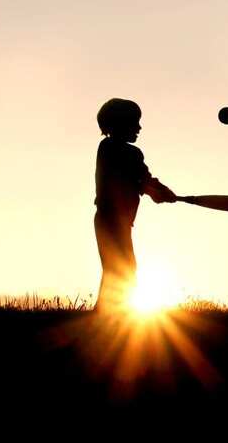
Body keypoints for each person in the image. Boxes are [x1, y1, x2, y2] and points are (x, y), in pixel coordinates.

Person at [93, 98, 177, 312]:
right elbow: (138, 178)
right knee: (121, 268)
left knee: (121, 268)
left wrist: (157, 191)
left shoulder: (129, 153)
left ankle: (106, 314)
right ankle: (108, 314)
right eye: (134, 122)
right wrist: (154, 191)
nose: (139, 127)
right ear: (118, 124)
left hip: (120, 221)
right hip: (110, 218)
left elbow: (142, 179)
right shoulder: (110, 149)